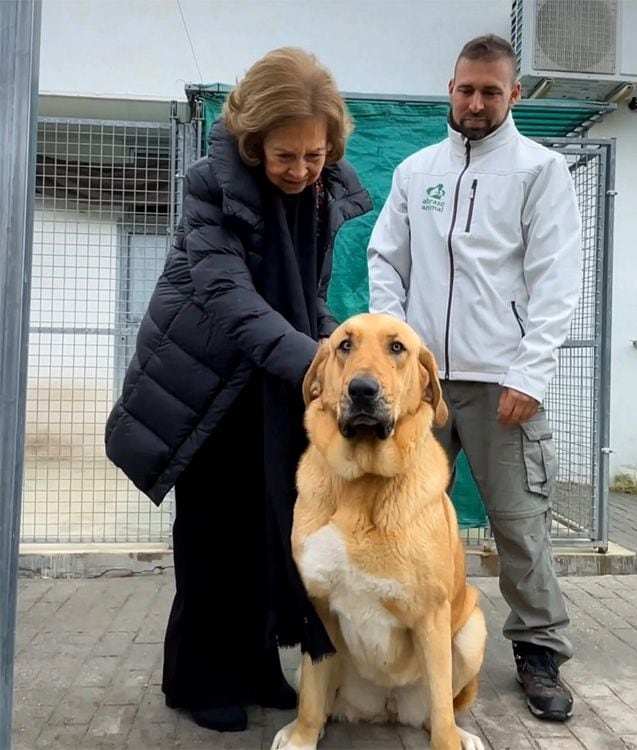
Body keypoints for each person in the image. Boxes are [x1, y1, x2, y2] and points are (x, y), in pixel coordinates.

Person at [105, 47, 372, 732]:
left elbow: (305, 297)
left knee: (269, 531)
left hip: (267, 388)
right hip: (201, 384)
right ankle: (198, 680)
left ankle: (256, 665)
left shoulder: (317, 194)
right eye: (285, 156)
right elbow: (231, 299)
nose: (301, 170)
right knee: (211, 537)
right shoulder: (207, 186)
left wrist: (343, 345)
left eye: (314, 156)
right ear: (252, 142)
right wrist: (320, 365)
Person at [367, 34, 581, 722]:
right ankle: (394, 637)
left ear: (513, 94)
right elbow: (384, 260)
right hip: (419, 386)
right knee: (398, 516)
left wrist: (530, 372)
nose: (476, 102)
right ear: (450, 89)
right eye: (466, 89)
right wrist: (398, 354)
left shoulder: (540, 170)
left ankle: (538, 649)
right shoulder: (415, 171)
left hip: (502, 385)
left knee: (519, 523)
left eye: (491, 90)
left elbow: (555, 282)